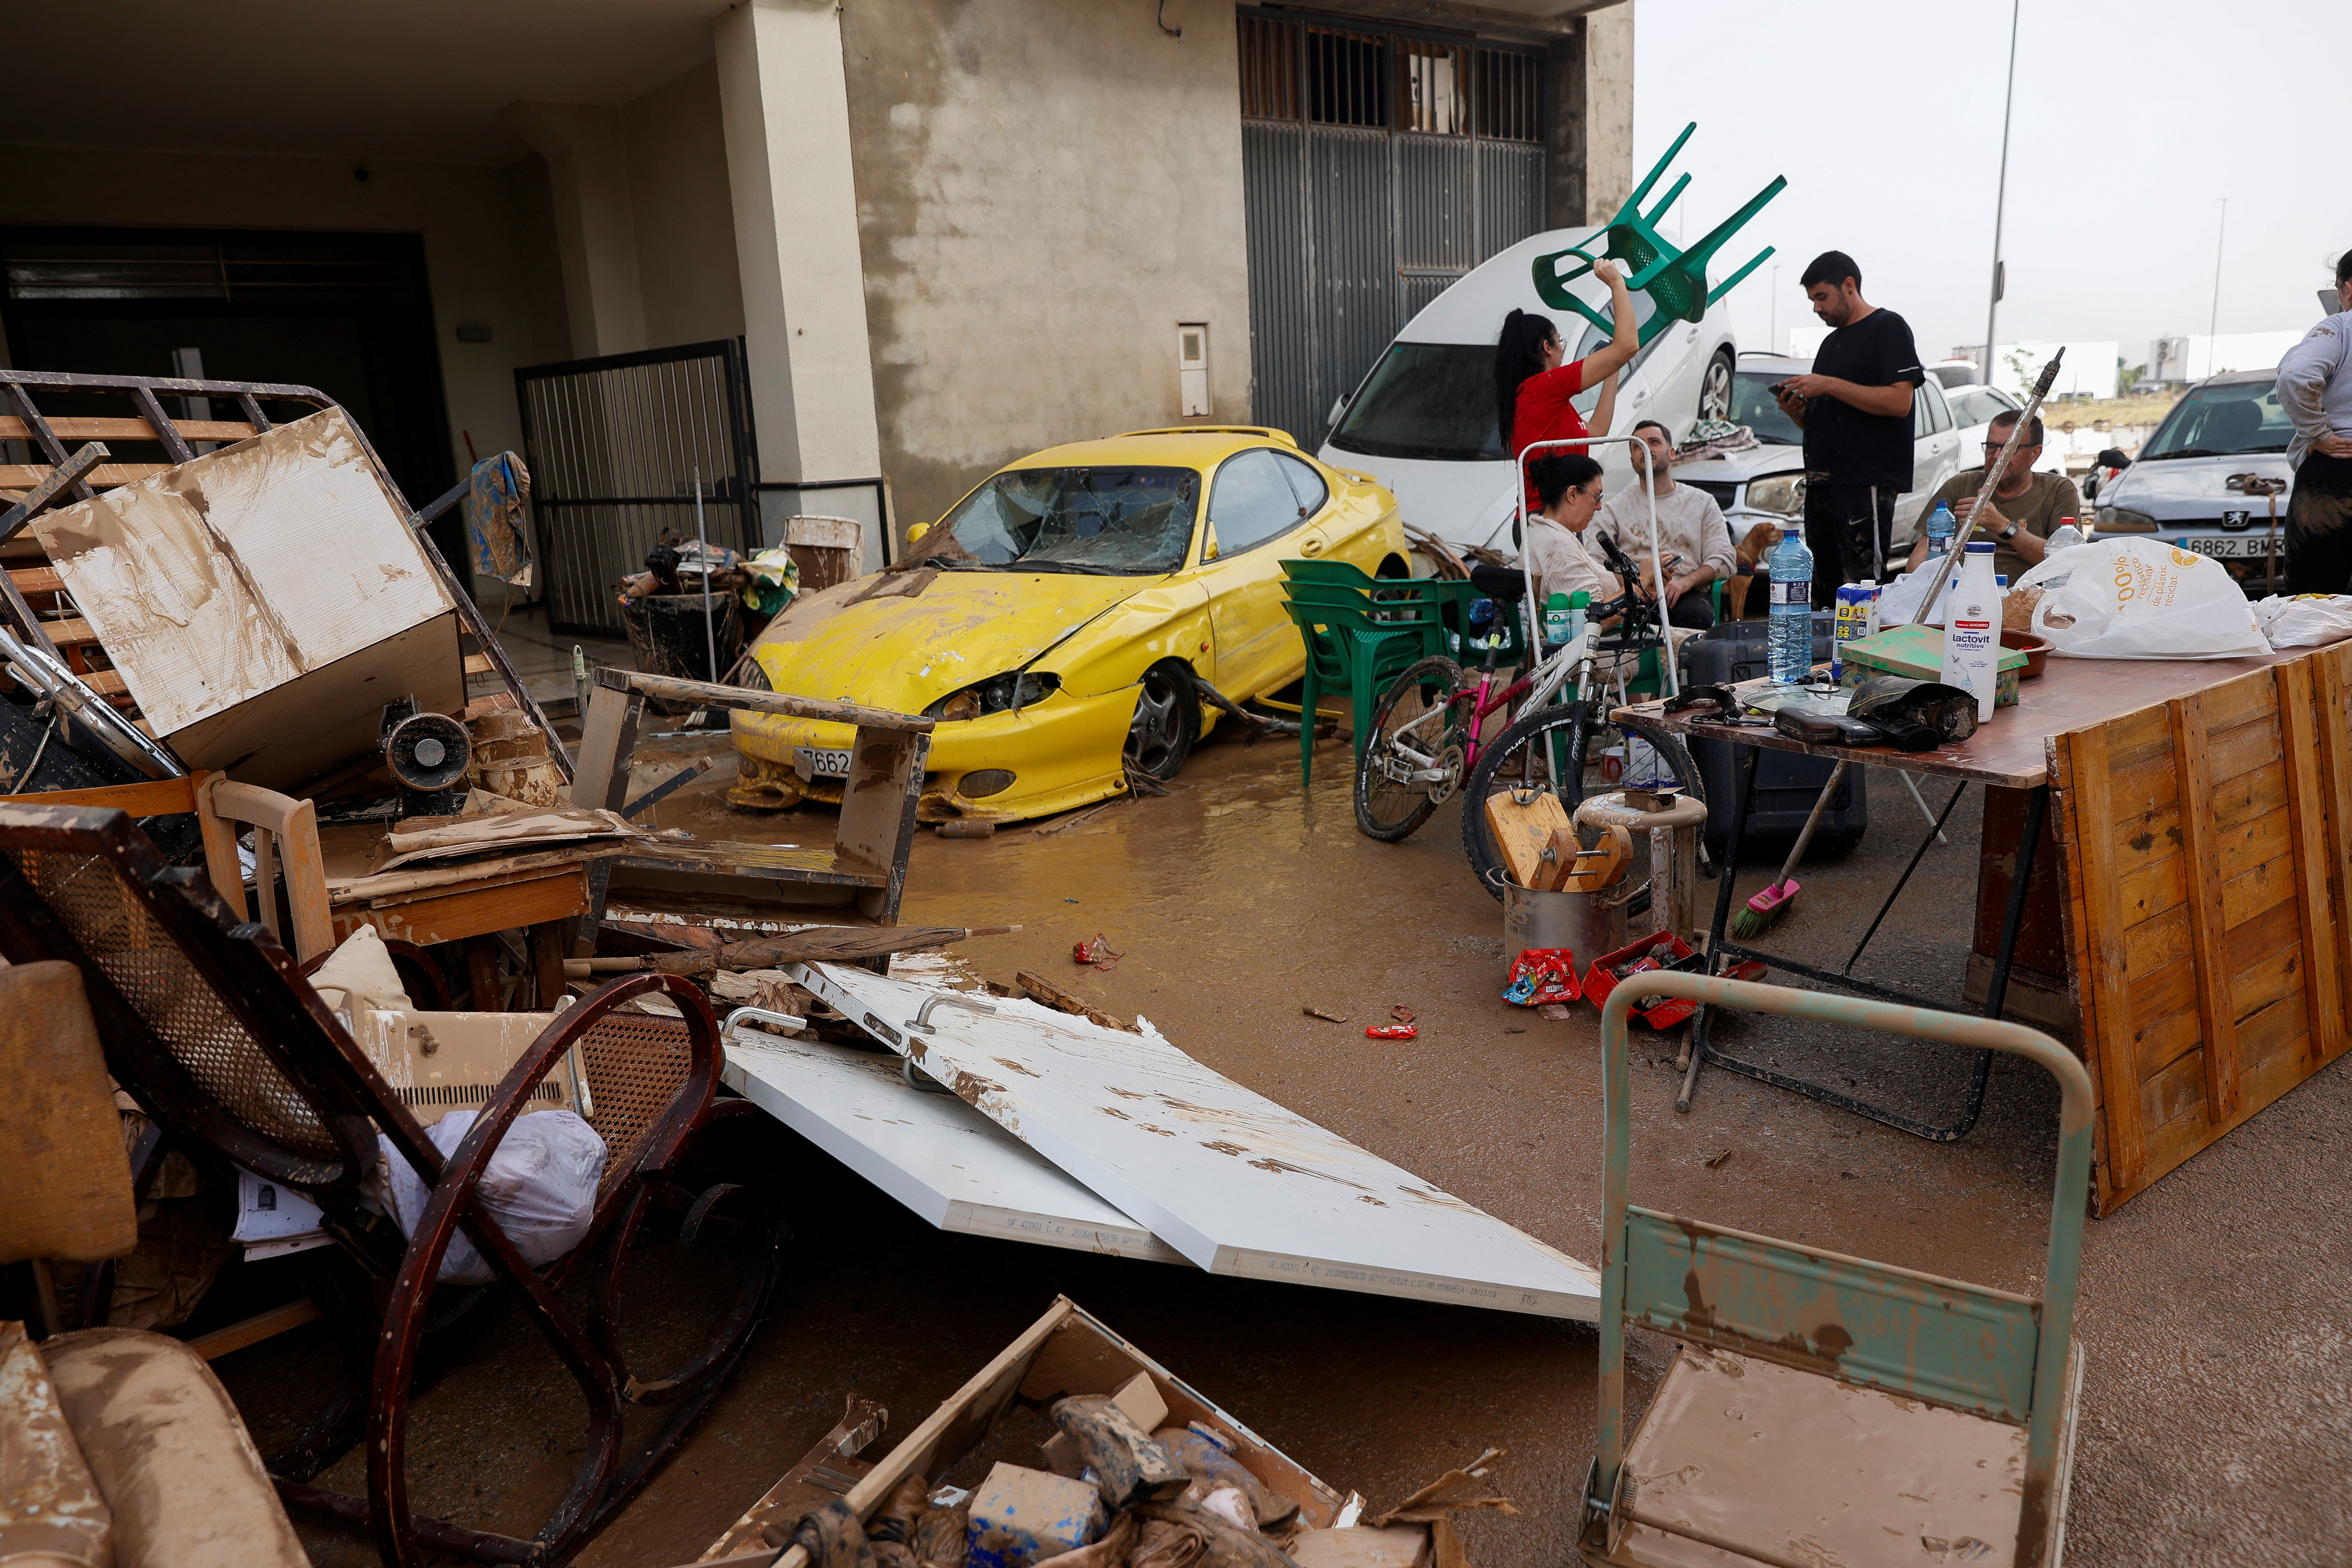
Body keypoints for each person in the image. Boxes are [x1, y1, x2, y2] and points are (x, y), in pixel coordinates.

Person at [1771, 251, 1926, 606]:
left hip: (1865, 481)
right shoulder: (1831, 343)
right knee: (1823, 590)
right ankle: (1825, 660)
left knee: (1861, 585)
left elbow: (1899, 402)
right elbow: (1822, 423)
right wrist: (1796, 412)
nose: (1817, 309)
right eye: (1812, 301)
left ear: (1849, 286)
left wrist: (1827, 385)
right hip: (1824, 483)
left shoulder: (1888, 328)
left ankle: (1863, 660)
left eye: (1822, 297)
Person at [1496, 259, 1639, 513]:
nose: (1563, 347)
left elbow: (1597, 431)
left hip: (1553, 517)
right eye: (1559, 340)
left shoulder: (1541, 397)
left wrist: (1613, 367)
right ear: (1547, 348)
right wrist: (1617, 283)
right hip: (1547, 518)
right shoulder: (1543, 387)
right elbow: (1627, 345)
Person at [1900, 410, 2084, 586]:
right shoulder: (1960, 486)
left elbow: (2064, 564)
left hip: (2025, 596)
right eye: (1991, 447)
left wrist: (2004, 527)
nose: (1996, 456)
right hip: (1958, 591)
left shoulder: (2058, 491)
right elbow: (1919, 558)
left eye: (2009, 448)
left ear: (2034, 454)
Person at [1593, 419, 1734, 629]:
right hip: (1631, 596)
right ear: (1632, 460)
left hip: (1684, 593)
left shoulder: (1702, 502)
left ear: (1672, 453)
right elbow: (1595, 560)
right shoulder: (1615, 508)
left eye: (1654, 442)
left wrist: (1685, 583)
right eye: (1637, 446)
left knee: (1699, 618)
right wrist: (1635, 586)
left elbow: (1724, 558)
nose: (1646, 450)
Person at [2278, 247, 2352, 594]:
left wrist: (2317, 434)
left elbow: (2296, 375)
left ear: (2347, 289)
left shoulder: (2338, 329)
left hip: (2337, 474)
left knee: (2316, 604)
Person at [1521, 453, 1621, 610]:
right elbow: (1595, 614)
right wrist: (1642, 582)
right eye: (1597, 497)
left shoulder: (1545, 533)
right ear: (1572, 494)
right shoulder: (1558, 545)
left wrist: (1632, 582)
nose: (1599, 506)